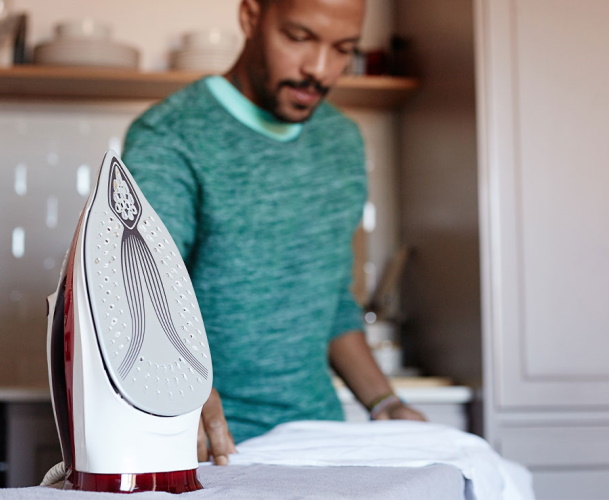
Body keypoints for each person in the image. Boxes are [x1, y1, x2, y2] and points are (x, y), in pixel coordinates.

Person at [122, 0, 425, 466]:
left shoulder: (340, 142)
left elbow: (331, 303)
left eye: (343, 49)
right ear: (250, 17)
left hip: (320, 441)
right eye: (299, 38)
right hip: (210, 450)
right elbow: (139, 298)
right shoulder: (170, 136)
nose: (320, 69)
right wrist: (178, 397)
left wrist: (385, 404)